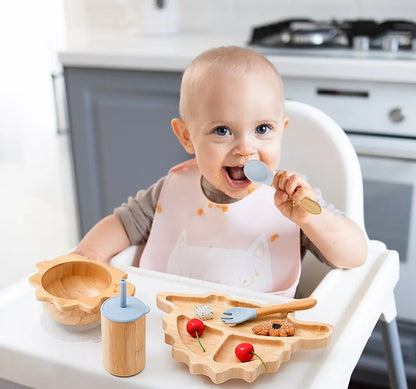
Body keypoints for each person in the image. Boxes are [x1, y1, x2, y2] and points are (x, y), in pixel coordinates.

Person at [73, 46, 367, 297]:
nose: (245, 148)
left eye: (262, 129)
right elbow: (123, 224)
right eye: (223, 130)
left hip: (259, 341)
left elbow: (355, 256)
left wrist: (311, 218)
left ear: (282, 131)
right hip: (169, 331)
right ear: (187, 136)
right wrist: (87, 256)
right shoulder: (171, 192)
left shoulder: (292, 202)